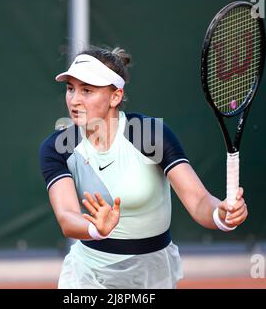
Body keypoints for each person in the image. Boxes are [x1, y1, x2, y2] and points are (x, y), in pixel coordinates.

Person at [39, 46, 248, 288]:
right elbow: (67, 217)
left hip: (153, 274)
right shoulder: (57, 147)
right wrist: (95, 229)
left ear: (115, 96)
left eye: (87, 90)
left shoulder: (148, 134)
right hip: (90, 274)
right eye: (70, 89)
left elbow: (199, 201)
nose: (74, 100)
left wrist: (221, 215)